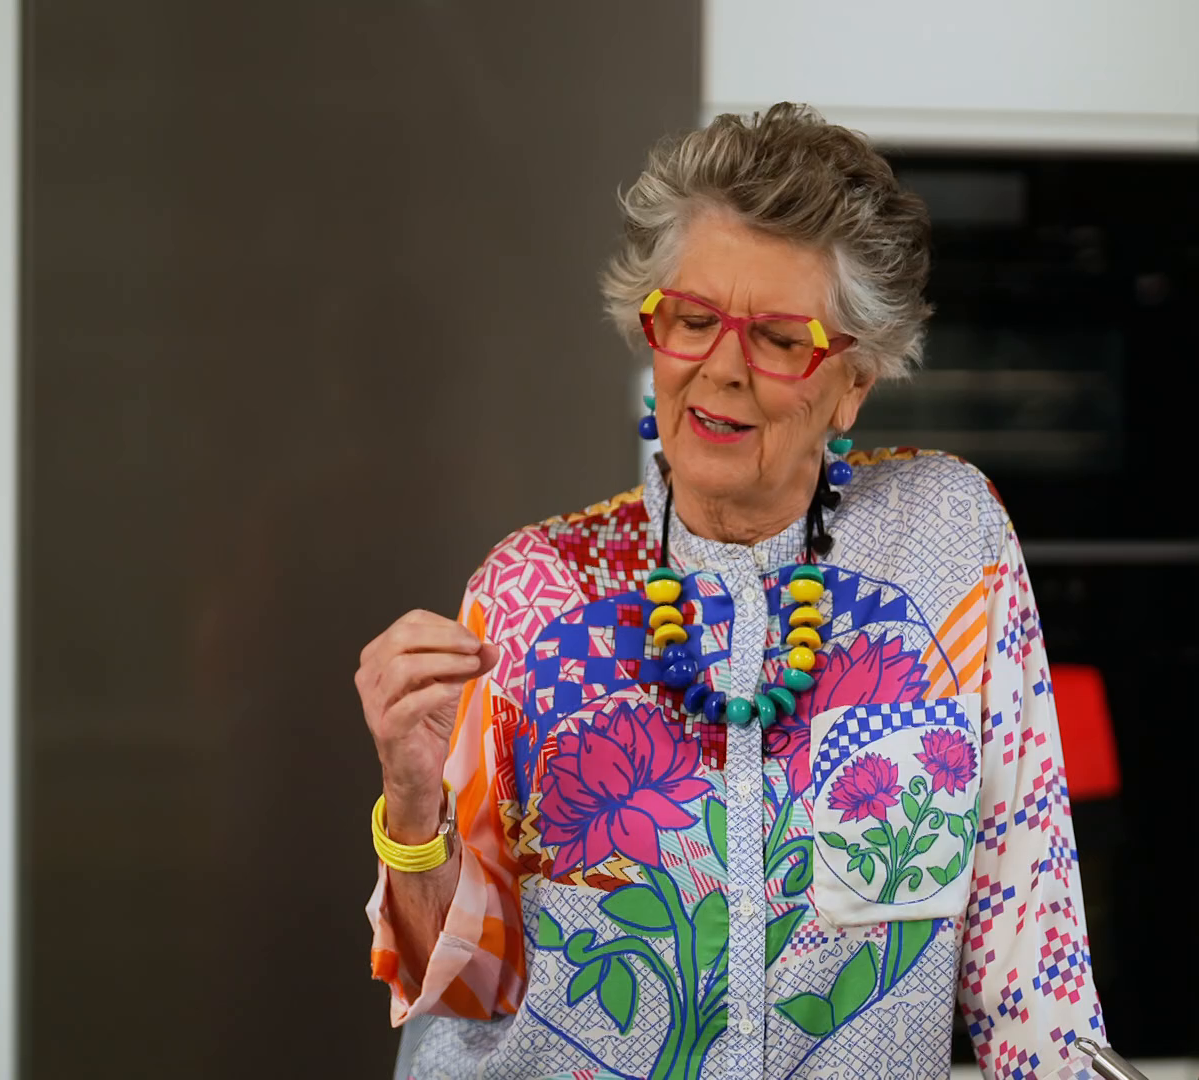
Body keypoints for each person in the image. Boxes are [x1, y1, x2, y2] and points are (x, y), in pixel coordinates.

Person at [358, 103, 1103, 1080]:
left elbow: (1031, 954)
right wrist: (413, 802)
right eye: (695, 320)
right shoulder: (531, 591)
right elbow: (451, 982)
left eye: (781, 339)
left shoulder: (949, 544)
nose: (722, 368)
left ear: (854, 383)